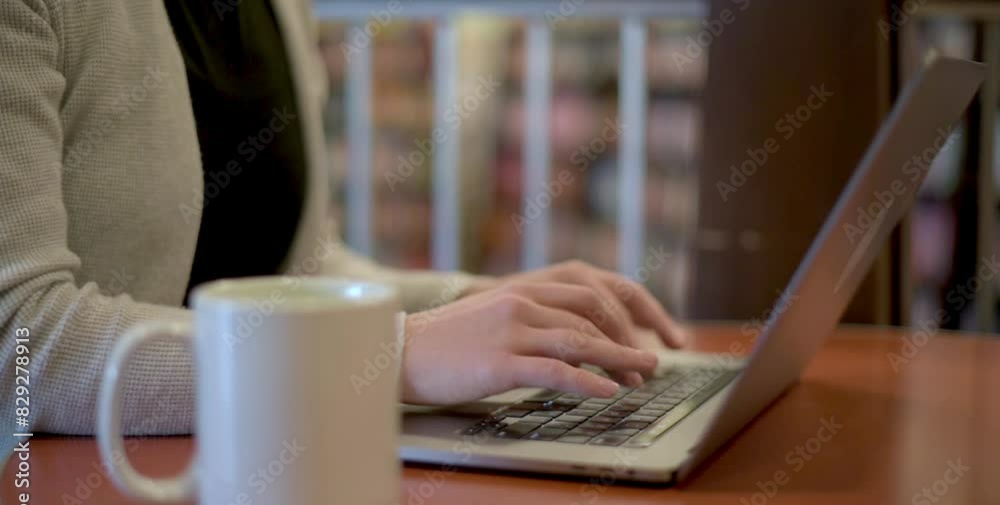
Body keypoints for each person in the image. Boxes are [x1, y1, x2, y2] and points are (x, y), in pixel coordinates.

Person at [0, 0, 686, 436]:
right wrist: (390, 352)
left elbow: (294, 271)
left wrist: (478, 308)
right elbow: (19, 343)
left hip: (251, 477)